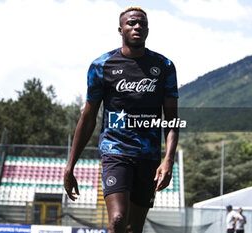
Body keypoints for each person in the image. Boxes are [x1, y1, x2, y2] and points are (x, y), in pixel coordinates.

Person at [63, 6, 179, 233]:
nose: (137, 27)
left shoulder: (164, 67)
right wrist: (70, 166)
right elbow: (88, 118)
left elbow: (172, 120)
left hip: (148, 156)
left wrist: (168, 159)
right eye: (131, 23)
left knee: (133, 228)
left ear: (148, 30)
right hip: (115, 151)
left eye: (142, 24)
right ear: (120, 29)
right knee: (117, 220)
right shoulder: (101, 66)